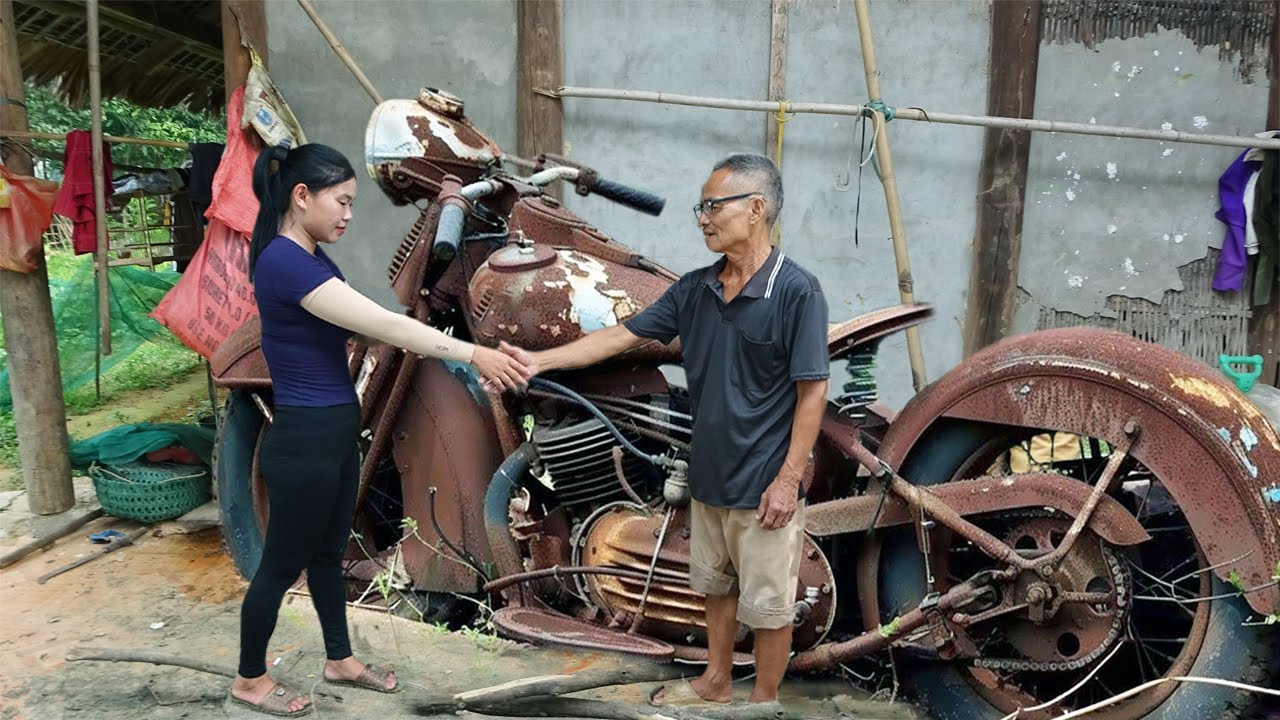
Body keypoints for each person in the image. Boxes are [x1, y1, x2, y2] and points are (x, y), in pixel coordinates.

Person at [502, 153, 829, 705]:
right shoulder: (695, 289)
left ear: (756, 209)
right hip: (708, 475)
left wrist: (788, 477)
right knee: (715, 589)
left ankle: (764, 701)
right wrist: (541, 361)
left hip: (764, 481)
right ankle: (719, 679)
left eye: (712, 205)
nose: (702, 217)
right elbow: (618, 337)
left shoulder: (797, 290)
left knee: (770, 605)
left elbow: (812, 389)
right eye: (699, 207)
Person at [230, 143, 531, 717]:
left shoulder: (312, 256)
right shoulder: (284, 262)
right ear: (301, 197)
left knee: (327, 556)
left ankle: (339, 659)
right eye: (341, 201)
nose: (348, 214)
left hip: (334, 436)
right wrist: (473, 353)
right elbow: (382, 323)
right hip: (305, 443)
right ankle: (249, 679)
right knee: (280, 567)